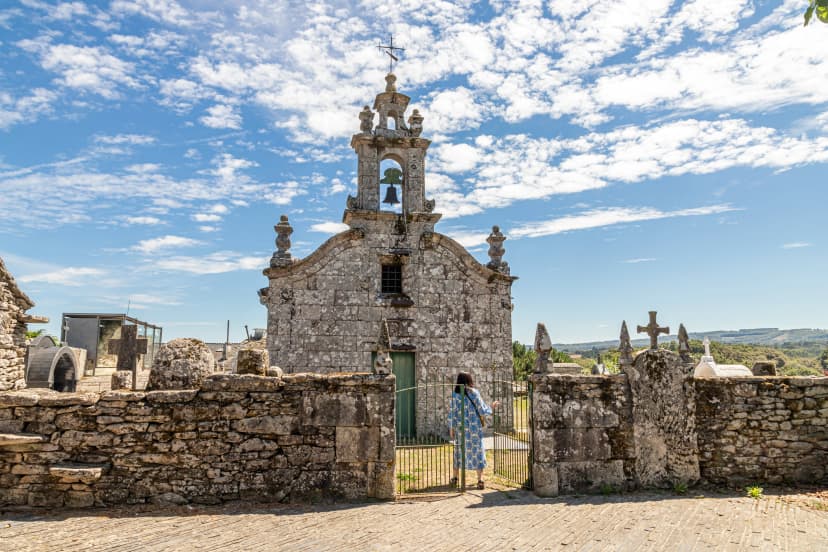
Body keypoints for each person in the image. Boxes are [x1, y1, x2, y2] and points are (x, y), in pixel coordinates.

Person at [448, 371, 500, 489]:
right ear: (469, 380)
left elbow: (452, 413)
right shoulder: (474, 393)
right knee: (477, 452)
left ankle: (455, 478)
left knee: (458, 452)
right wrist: (491, 407)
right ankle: (480, 480)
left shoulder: (455, 395)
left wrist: (451, 428)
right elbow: (482, 410)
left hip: (461, 429)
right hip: (474, 428)